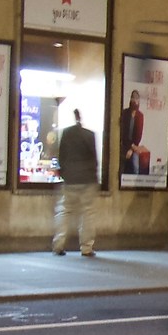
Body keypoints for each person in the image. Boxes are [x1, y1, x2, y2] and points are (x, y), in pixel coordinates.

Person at [52, 107, 100, 256]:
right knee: (88, 213)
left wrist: (65, 173)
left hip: (70, 179)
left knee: (64, 211)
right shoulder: (89, 135)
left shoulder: (66, 133)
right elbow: (94, 158)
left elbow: (61, 156)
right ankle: (86, 247)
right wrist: (93, 173)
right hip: (87, 180)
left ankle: (58, 244)